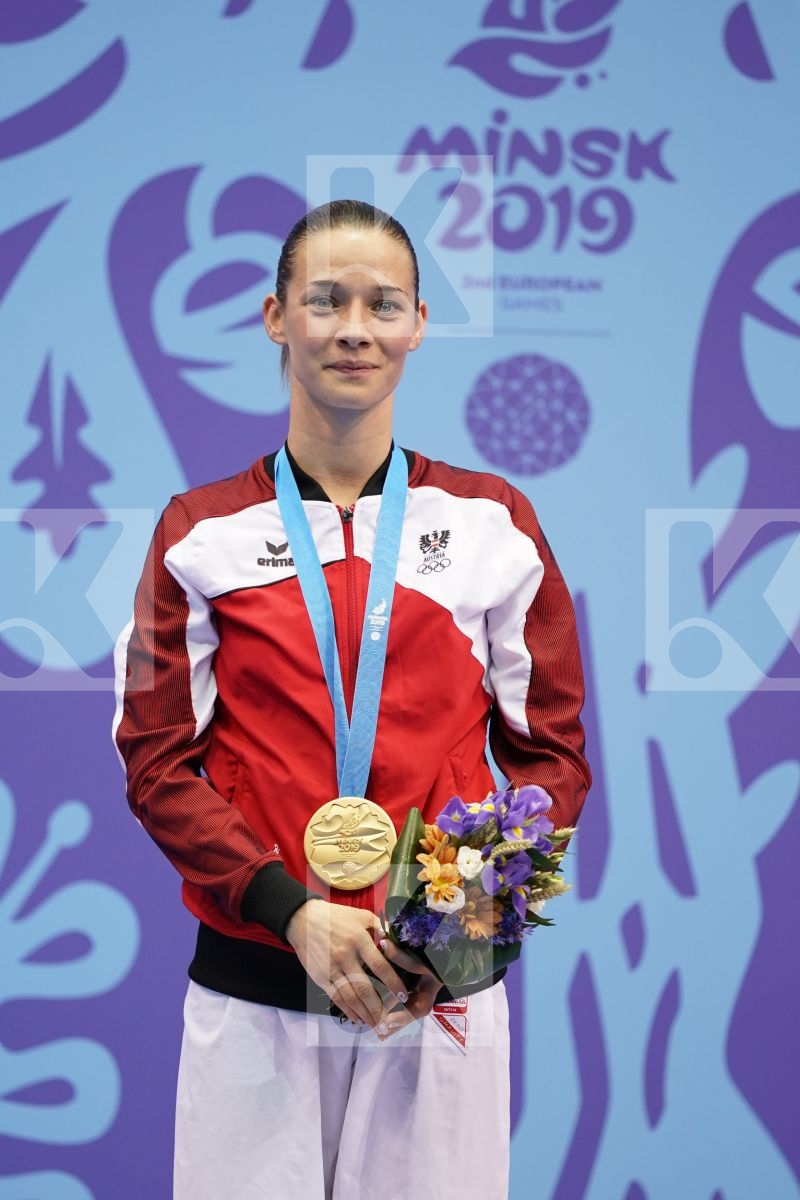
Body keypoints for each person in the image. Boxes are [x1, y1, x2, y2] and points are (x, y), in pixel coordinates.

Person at [113, 198, 591, 1199]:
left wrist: (457, 928)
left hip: (438, 999)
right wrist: (289, 912)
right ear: (275, 316)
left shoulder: (493, 521)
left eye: (382, 303)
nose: (353, 328)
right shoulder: (200, 531)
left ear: (418, 324)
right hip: (254, 994)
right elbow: (157, 763)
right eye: (324, 299)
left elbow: (550, 759)